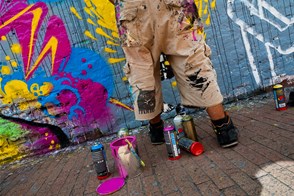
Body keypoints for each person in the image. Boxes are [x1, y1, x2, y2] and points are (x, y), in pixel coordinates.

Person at [110, 0, 238, 148]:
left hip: (132, 7)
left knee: (142, 70)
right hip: (175, 5)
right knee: (194, 63)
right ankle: (224, 129)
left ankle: (157, 130)